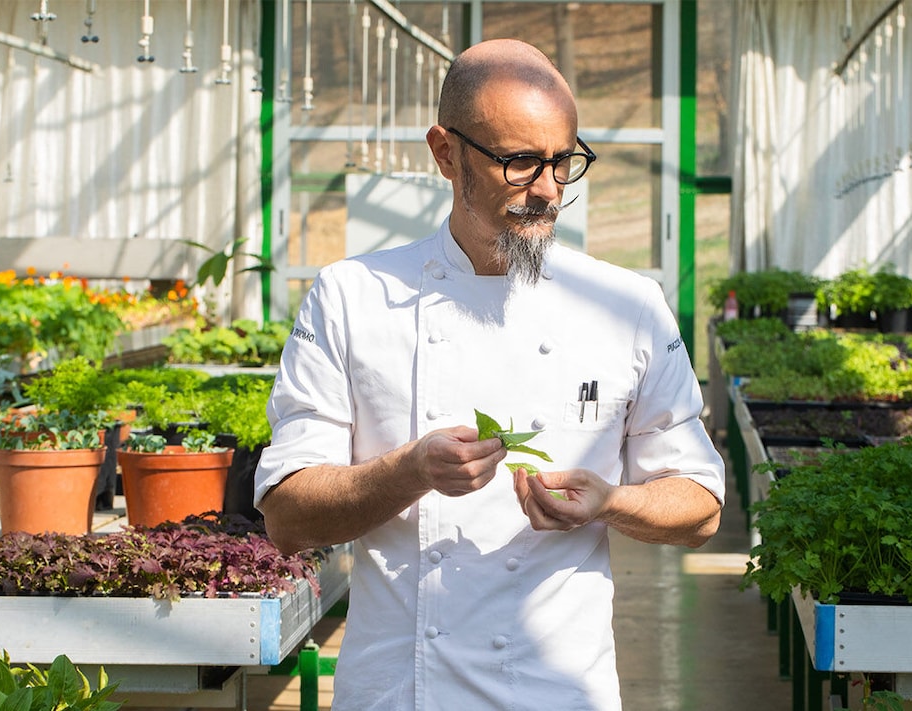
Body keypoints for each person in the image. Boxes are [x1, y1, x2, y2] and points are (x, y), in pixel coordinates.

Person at [255, 38, 725, 711]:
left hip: (561, 690)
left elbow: (702, 505)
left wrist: (612, 501)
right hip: (400, 692)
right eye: (520, 163)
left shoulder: (628, 306)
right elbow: (287, 515)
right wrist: (411, 470)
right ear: (446, 154)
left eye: (564, 162)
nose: (548, 191)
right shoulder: (352, 297)